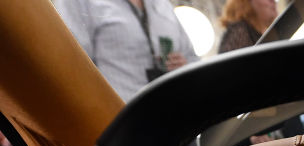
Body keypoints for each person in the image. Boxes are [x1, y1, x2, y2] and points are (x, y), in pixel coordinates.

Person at [55, 0, 198, 102]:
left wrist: (184, 68)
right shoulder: (78, 3)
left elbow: (193, 59)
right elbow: (72, 67)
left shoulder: (163, 4)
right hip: (119, 121)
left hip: (173, 116)